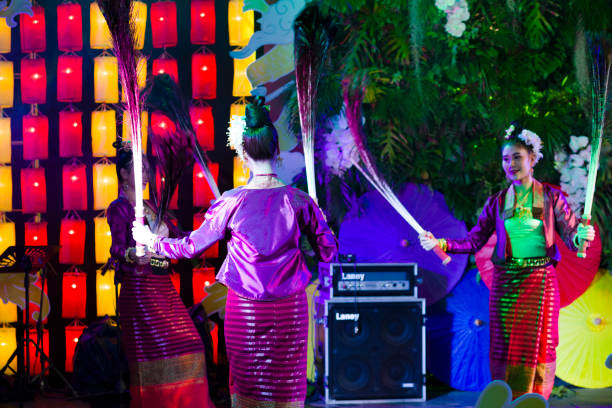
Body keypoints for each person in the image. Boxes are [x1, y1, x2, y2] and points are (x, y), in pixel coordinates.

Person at [132, 98, 338, 408]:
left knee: (249, 384)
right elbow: (329, 254)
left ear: (243, 155)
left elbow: (189, 247)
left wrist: (152, 241)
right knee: (285, 385)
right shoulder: (299, 201)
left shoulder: (232, 201)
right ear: (277, 150)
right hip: (291, 309)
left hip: (247, 310)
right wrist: (321, 221)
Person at [419, 122, 595, 399]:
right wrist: (440, 243)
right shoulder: (497, 202)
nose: (510, 164)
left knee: (542, 345)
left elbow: (573, 234)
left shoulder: (552, 197)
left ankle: (536, 401)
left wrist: (582, 235)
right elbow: (474, 241)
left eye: (517, 157)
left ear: (532, 160)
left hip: (540, 281)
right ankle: (507, 400)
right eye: (505, 158)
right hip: (506, 285)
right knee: (504, 345)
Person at [106, 140, 214, 408]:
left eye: (146, 167)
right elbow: (117, 247)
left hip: (163, 289)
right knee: (152, 358)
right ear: (123, 173)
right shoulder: (119, 208)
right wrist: (133, 254)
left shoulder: (152, 206)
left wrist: (213, 226)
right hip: (140, 293)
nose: (145, 173)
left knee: (191, 346)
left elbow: (181, 238)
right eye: (138, 168)